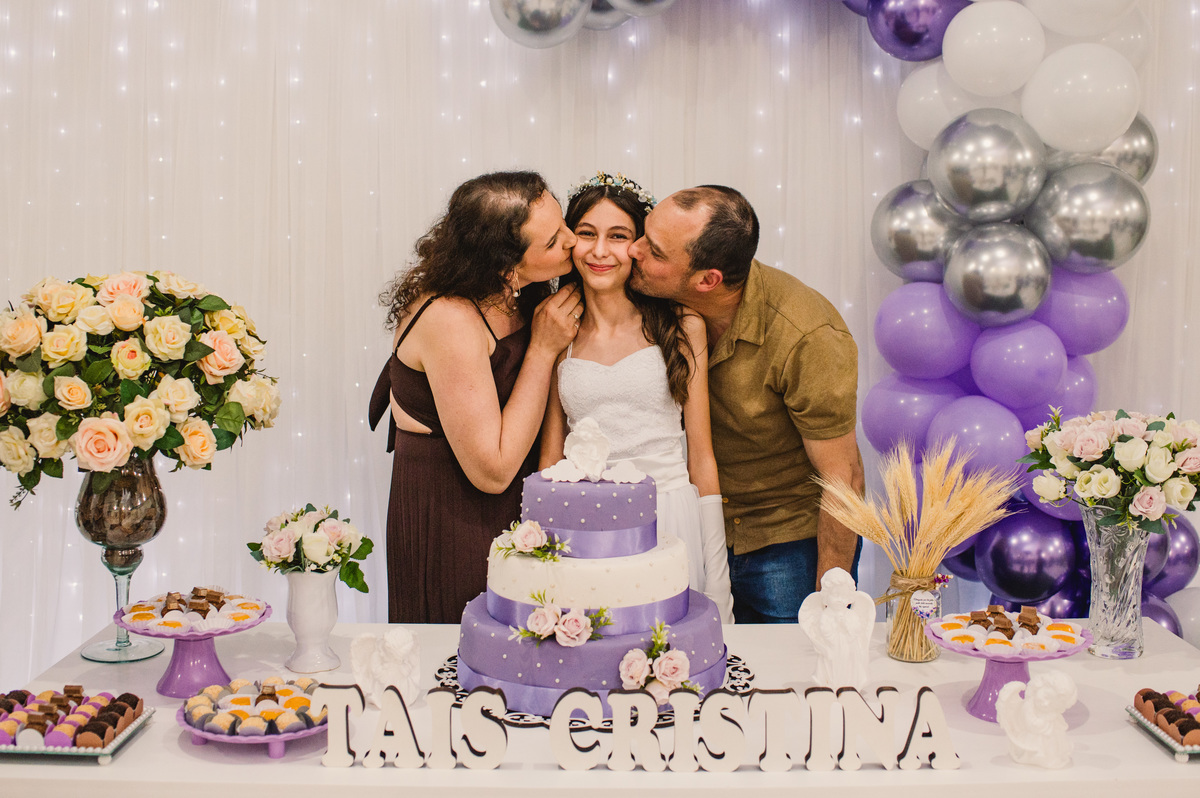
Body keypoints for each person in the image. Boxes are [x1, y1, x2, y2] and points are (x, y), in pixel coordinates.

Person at [627, 184, 864, 624]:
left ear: (707, 280)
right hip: (692, 533)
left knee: (790, 678)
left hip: (787, 545)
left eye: (654, 251)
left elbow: (843, 479)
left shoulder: (807, 335)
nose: (633, 251)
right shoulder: (648, 302)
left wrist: (831, 608)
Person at [369, 171, 583, 624]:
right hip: (454, 516)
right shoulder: (448, 317)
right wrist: (543, 349)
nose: (572, 241)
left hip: (516, 507)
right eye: (551, 242)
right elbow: (493, 470)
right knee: (465, 664)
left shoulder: (515, 291)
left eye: (563, 223)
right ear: (507, 267)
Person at [539, 173, 734, 622]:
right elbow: (551, 454)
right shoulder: (556, 326)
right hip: (586, 522)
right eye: (587, 234)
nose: (601, 251)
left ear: (639, 245)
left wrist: (719, 579)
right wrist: (542, 554)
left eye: (619, 236)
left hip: (668, 515)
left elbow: (701, 457)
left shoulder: (683, 326)